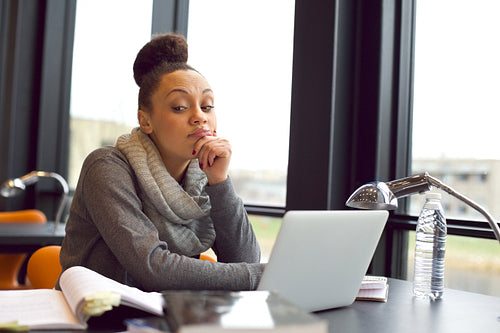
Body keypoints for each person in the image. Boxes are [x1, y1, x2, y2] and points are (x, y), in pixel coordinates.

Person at [58, 33, 265, 292]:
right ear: (145, 121)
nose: (199, 117)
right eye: (180, 107)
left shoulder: (203, 176)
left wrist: (219, 182)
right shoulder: (106, 167)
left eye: (207, 106)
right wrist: (263, 275)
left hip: (171, 316)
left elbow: (244, 259)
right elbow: (153, 268)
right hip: (99, 318)